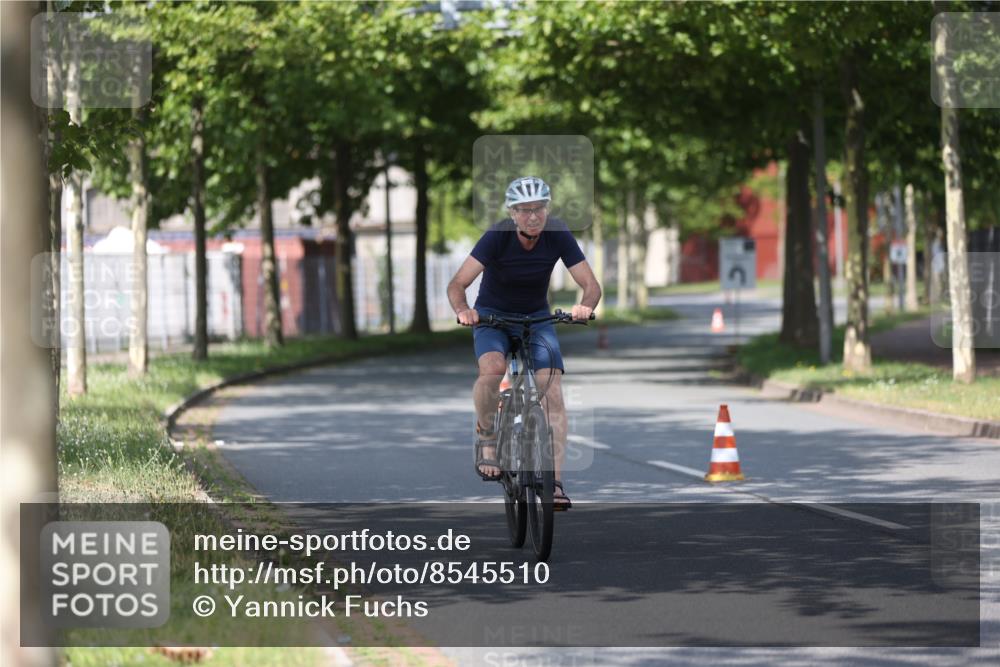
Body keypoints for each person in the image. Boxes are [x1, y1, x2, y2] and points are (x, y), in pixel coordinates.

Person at [447, 176, 601, 510]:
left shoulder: (558, 234)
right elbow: (458, 283)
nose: (533, 216)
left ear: (547, 209)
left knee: (553, 393)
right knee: (492, 367)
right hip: (493, 317)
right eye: (525, 210)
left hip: (536, 317)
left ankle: (556, 484)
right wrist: (464, 310)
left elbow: (590, 284)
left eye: (539, 209)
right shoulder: (497, 237)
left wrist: (585, 305)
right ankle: (487, 435)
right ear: (512, 213)